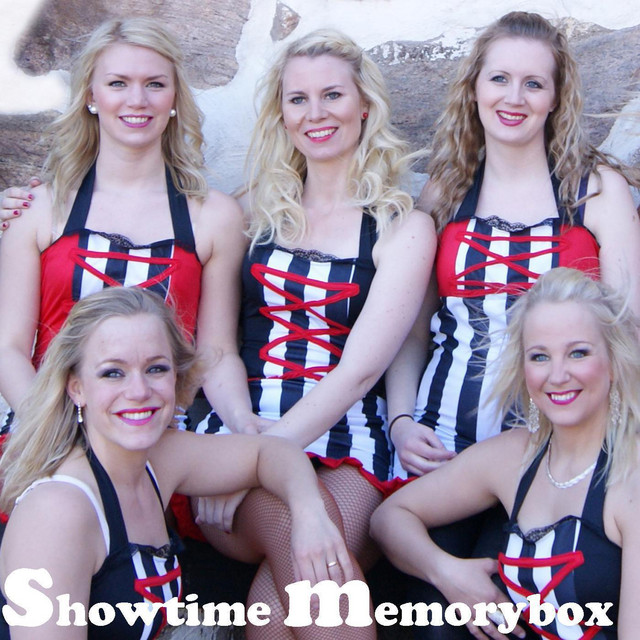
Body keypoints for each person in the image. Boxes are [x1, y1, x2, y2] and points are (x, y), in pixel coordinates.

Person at [382, 11, 640, 638]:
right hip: (442, 453)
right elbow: (411, 331)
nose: (514, 97)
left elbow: (627, 328)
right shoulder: (446, 192)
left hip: (554, 464)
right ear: (474, 87)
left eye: (534, 83)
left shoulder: (594, 191)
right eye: (499, 78)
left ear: (556, 97)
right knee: (432, 624)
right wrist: (402, 420)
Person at [172, 28, 435, 640]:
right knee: (304, 543)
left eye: (332, 95)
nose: (315, 113)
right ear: (282, 113)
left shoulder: (401, 226)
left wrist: (262, 461)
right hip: (240, 426)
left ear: (364, 106)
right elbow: (216, 347)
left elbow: (360, 371)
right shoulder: (249, 211)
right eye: (298, 99)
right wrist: (244, 447)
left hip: (349, 443)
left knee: (285, 594)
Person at [0, 286, 353, 640]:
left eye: (156, 369)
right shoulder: (57, 513)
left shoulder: (157, 460)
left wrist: (310, 513)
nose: (139, 391)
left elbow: (271, 453)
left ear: (176, 376)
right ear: (76, 388)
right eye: (113, 373)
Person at [0, 17, 244, 431]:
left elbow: (215, 354)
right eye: (117, 83)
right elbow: (9, 349)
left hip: (160, 434)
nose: (137, 99)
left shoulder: (214, 218)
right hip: (46, 427)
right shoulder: (39, 209)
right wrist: (57, 434)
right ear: (90, 96)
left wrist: (242, 424)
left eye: (155, 84)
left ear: (174, 98)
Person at [372, 266, 640, 640]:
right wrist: (448, 573)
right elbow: (389, 518)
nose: (557, 375)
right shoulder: (514, 456)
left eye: (578, 353)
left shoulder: (631, 479)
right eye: (540, 357)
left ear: (613, 362)